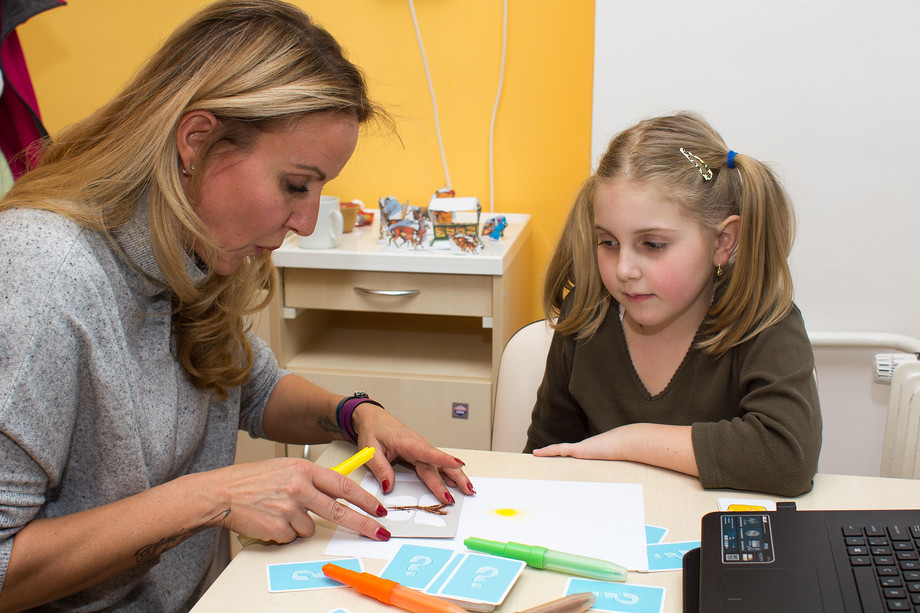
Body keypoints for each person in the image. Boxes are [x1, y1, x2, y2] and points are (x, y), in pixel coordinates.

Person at [0, 1, 474, 611]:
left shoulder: (191, 247)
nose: (305, 221)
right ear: (198, 141)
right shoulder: (42, 270)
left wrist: (354, 414)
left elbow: (249, 387)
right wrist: (211, 498)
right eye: (295, 185)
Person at [525, 112, 821, 497]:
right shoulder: (586, 315)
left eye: (653, 245)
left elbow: (787, 459)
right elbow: (542, 458)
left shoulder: (764, 319)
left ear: (722, 242)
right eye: (608, 243)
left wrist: (629, 441)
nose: (624, 269)